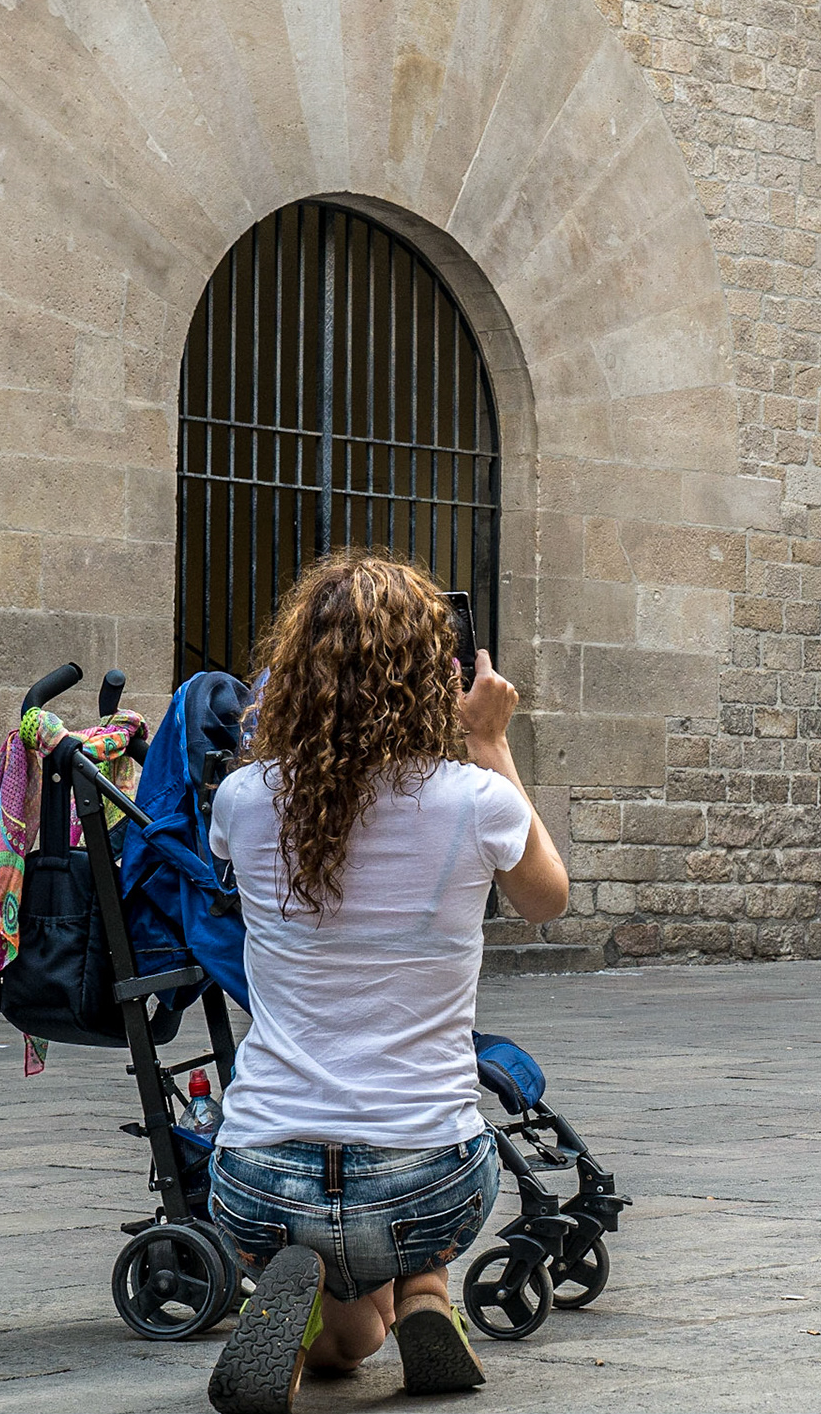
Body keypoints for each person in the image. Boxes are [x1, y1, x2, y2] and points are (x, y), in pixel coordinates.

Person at [202, 553, 569, 1414]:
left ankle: (300, 1289)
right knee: (398, 1224)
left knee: (345, 1340)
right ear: (429, 675)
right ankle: (426, 1292)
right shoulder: (477, 801)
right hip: (426, 1180)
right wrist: (488, 740)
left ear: (294, 670)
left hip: (258, 1174)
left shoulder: (243, 799)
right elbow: (547, 901)